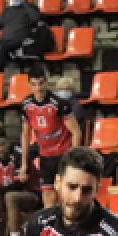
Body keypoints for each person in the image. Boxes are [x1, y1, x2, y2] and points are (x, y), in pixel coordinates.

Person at [20, 67, 81, 208]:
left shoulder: (59, 103)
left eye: (41, 83)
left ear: (46, 82)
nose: (38, 88)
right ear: (29, 85)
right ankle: (49, 221)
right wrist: (23, 165)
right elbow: (25, 135)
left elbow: (76, 132)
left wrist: (74, 159)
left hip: (63, 155)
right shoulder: (26, 105)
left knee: (63, 195)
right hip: (45, 156)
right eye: (34, 84)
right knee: (47, 196)